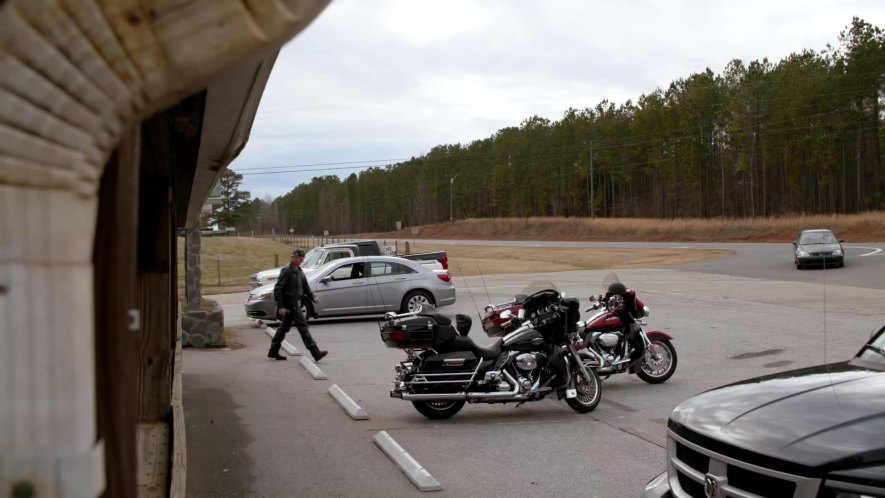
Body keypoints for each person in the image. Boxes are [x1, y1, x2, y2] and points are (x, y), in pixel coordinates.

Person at [268, 249, 328, 362]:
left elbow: (305, 286)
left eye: (302, 259)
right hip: (291, 304)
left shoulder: (299, 271)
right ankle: (315, 353)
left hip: (297, 303)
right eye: (300, 259)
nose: (302, 261)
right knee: (303, 327)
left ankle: (273, 351)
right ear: (294, 258)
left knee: (283, 329)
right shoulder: (287, 271)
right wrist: (280, 306)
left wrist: (313, 297)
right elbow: (278, 288)